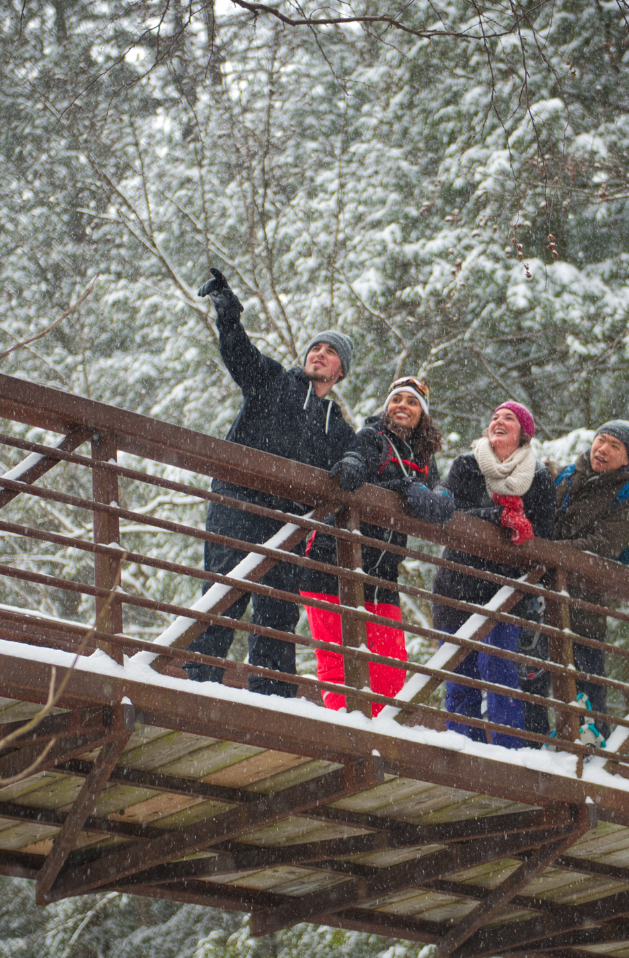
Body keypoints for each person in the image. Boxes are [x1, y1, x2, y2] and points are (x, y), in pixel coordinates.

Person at [184, 267, 357, 697]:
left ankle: (273, 697)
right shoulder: (273, 380)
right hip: (237, 503)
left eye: (329, 352)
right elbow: (239, 354)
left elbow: (363, 455)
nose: (318, 354)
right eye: (315, 347)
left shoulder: (334, 421)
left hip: (289, 523)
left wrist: (353, 460)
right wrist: (228, 311)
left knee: (278, 609)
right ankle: (199, 683)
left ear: (340, 373)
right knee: (225, 591)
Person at [300, 376, 455, 716]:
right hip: (333, 559)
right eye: (397, 399)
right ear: (386, 407)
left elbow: (440, 500)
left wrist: (427, 494)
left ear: (422, 415)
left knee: (391, 666)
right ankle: (348, 732)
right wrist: (356, 466)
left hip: (382, 574)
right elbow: (356, 458)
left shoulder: (425, 459)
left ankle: (382, 737)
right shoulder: (372, 437)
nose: (403, 405)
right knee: (339, 659)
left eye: (412, 402)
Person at [431, 401, 556, 749]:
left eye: (509, 418)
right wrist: (498, 517)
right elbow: (451, 513)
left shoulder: (539, 479)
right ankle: (461, 754)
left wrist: (523, 528)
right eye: (495, 417)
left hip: (505, 593)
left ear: (524, 434)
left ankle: (506, 758)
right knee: (459, 680)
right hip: (455, 587)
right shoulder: (467, 465)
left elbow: (545, 536)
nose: (498, 421)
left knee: (499, 676)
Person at [544, 419, 629, 746]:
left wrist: (552, 552)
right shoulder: (566, 474)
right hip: (541, 589)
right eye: (600, 440)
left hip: (586, 600)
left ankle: (591, 756)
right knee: (537, 673)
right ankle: (539, 747)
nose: (602, 449)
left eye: (614, 446)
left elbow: (606, 544)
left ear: (626, 459)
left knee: (587, 681)